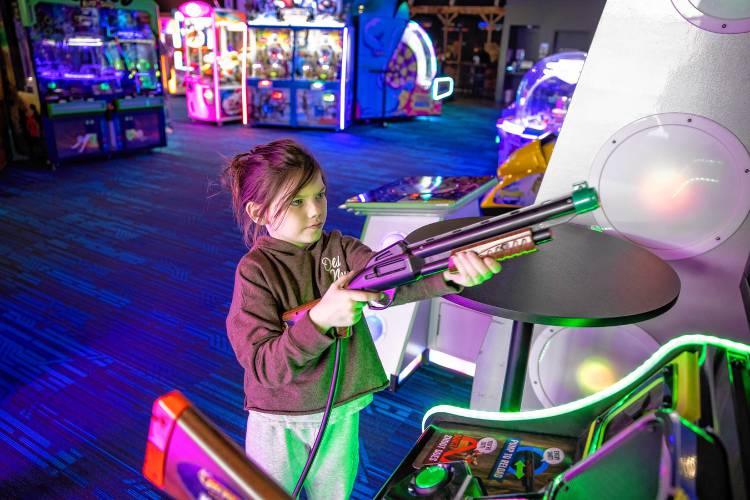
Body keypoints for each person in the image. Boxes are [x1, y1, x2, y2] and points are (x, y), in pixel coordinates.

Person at [222, 139, 502, 498]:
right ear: (259, 213)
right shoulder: (255, 272)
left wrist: (450, 276)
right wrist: (320, 319)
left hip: (338, 413)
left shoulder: (341, 248)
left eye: (319, 195)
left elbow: (394, 282)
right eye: (296, 201)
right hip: (280, 421)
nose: (315, 211)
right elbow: (263, 366)